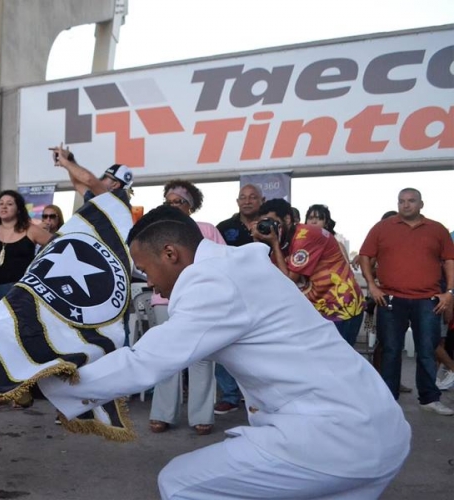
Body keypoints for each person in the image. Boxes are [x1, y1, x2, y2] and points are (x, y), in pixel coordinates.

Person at [41, 205, 411, 499]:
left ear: (171, 253)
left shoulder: (211, 280)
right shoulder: (236, 265)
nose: (148, 281)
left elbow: (146, 362)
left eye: (145, 268)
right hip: (376, 428)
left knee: (183, 483)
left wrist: (41, 385)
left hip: (336, 435)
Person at [359, 188, 454, 415]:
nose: (406, 205)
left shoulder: (437, 229)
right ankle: (389, 399)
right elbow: (365, 256)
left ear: (421, 204)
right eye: (401, 201)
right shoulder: (382, 228)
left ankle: (429, 399)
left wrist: (449, 291)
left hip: (428, 300)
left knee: (427, 350)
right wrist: (372, 285)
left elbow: (450, 260)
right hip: (391, 299)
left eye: (411, 201)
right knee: (391, 350)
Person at [149, 180, 225, 437]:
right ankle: (162, 413)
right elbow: (143, 264)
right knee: (165, 356)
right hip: (165, 300)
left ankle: (202, 415)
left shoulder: (207, 230)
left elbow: (223, 262)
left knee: (202, 357)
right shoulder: (156, 232)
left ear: (190, 206)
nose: (172, 206)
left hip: (201, 301)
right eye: (168, 202)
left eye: (178, 202)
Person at [0, 190, 52, 410]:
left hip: (21, 293)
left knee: (20, 338)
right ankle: (0, 390)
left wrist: (38, 271)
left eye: (10, 203)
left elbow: (56, 246)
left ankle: (21, 388)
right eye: (1, 203)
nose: (4, 207)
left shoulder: (30, 230)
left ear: (18, 208)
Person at [254, 199, 365, 346]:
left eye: (272, 222)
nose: (270, 228)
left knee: (338, 364)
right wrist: (258, 241)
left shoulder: (306, 236)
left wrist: (274, 243)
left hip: (341, 308)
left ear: (287, 219)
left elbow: (287, 281)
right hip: (318, 311)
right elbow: (271, 278)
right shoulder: (282, 242)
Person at [212, 184, 264, 415]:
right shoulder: (224, 228)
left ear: (261, 201)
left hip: (262, 293)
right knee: (225, 344)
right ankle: (230, 396)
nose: (247, 201)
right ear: (237, 201)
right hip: (230, 294)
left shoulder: (269, 225)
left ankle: (261, 398)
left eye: (253, 197)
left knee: (261, 347)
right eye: (243, 197)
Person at [49, 144, 133, 205]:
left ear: (115, 185)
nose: (99, 180)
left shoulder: (114, 201)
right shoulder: (97, 197)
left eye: (104, 177)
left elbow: (89, 180)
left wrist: (65, 162)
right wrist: (70, 159)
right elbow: (78, 183)